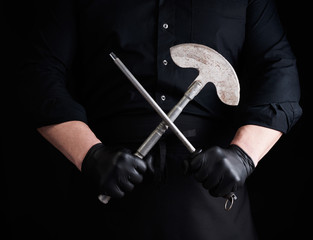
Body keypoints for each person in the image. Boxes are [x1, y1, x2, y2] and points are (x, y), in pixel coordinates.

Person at [17, 0, 302, 239]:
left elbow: (280, 71)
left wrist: (244, 155)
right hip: (106, 182)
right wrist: (89, 154)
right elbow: (38, 73)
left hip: (212, 187)